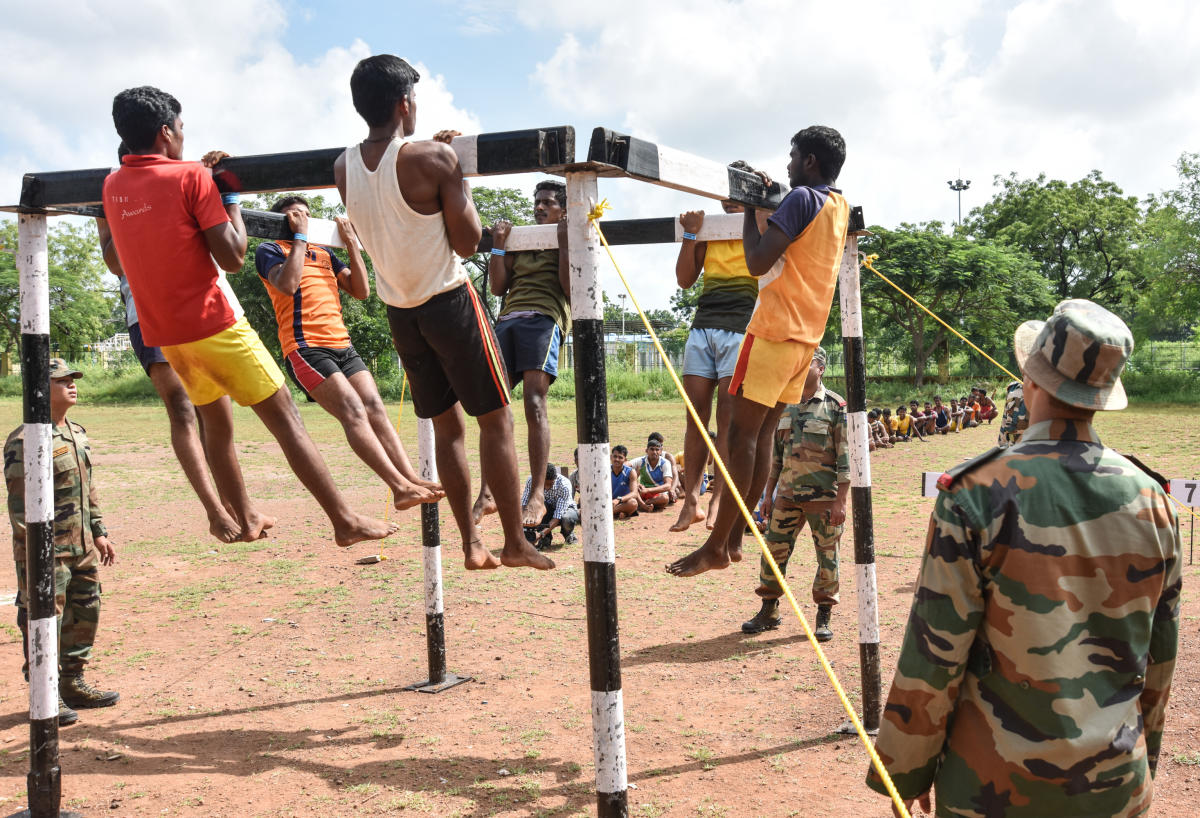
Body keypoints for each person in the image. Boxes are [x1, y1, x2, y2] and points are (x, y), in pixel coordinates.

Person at [867, 299, 1181, 818]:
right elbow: (1158, 661)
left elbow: (935, 649)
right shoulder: (1154, 501)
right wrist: (1141, 759)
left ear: (1029, 381)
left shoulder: (975, 492)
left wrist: (908, 768)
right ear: (1102, 397)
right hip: (1115, 783)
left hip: (990, 785)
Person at [102, 86, 394, 548]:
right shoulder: (190, 177)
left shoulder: (113, 186)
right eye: (180, 129)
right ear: (165, 132)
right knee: (288, 421)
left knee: (216, 427)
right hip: (214, 324)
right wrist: (230, 191)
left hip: (168, 336)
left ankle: (243, 517)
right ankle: (344, 520)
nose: (183, 136)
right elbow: (234, 256)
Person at [333, 55, 552, 570]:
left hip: (400, 312)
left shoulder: (342, 166)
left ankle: (471, 544)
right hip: (449, 302)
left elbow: (389, 210)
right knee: (496, 421)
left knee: (448, 429)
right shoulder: (432, 159)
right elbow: (470, 239)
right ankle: (515, 542)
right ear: (404, 103)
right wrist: (457, 173)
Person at [668, 126, 849, 578]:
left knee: (739, 439)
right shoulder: (838, 204)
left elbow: (756, 261)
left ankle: (715, 545)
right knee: (762, 437)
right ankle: (729, 541)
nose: (787, 165)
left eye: (792, 157)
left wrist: (750, 211)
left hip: (771, 330)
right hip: (805, 339)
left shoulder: (802, 198)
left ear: (809, 162)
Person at [253, 195, 442, 510]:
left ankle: (410, 478)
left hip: (342, 343)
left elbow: (361, 290)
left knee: (374, 407)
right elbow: (287, 285)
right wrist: (298, 236)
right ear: (283, 222)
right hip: (305, 347)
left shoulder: (325, 252)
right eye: (294, 216)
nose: (303, 219)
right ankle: (398, 488)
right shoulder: (271, 250)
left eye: (306, 215)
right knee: (354, 411)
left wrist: (352, 243)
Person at [96, 207, 248, 545]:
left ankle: (236, 506)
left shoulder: (183, 187)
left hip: (200, 309)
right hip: (149, 310)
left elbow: (226, 249)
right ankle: (215, 512)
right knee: (182, 408)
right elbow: (114, 261)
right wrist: (130, 211)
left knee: (214, 411)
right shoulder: (114, 194)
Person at [6, 360, 120, 726]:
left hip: (82, 545)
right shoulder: (25, 440)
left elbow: (89, 489)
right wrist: (38, 553)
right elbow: (21, 505)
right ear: (41, 387)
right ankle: (45, 692)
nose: (72, 385)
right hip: (47, 551)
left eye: (73, 379)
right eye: (62, 381)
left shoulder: (75, 432)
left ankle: (72, 682)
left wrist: (99, 532)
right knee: (42, 619)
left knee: (86, 611)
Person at [471, 180, 570, 528]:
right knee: (491, 404)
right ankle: (487, 492)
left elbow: (570, 287)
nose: (539, 207)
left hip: (544, 318)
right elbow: (498, 286)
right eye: (537, 202)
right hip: (508, 320)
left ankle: (538, 495)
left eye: (547, 202)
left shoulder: (566, 235)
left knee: (533, 401)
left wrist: (563, 241)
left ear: (563, 209)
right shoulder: (520, 237)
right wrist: (499, 245)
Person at [668, 196, 763, 533]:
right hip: (703, 328)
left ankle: (718, 496)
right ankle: (690, 499)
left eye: (736, 195)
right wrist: (691, 234)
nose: (728, 201)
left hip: (740, 329)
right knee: (695, 417)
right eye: (725, 196)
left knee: (727, 419)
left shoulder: (758, 223)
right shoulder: (708, 228)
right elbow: (684, 279)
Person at [741, 348, 848, 640]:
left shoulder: (835, 406)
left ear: (821, 368)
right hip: (786, 497)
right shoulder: (785, 405)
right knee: (773, 553)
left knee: (827, 558)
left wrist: (841, 501)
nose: (800, 365)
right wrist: (767, 495)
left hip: (824, 499)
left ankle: (824, 614)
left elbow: (846, 459)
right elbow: (775, 456)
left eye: (808, 361)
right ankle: (769, 610)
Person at [520, 464, 579, 549]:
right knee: (536, 509)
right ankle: (546, 538)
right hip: (546, 509)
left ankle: (568, 534)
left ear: (555, 479)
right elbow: (525, 502)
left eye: (550, 484)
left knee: (567, 518)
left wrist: (540, 534)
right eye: (544, 484)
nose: (547, 487)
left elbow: (558, 515)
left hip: (566, 509)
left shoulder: (564, 485)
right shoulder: (532, 480)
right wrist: (524, 522)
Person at [628, 437, 675, 511]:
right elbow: (625, 465)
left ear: (661, 451)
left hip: (658, 492)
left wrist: (648, 490)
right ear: (646, 451)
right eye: (652, 449)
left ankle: (643, 504)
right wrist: (636, 483)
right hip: (642, 491)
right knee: (633, 488)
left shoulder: (665, 463)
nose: (654, 452)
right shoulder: (641, 461)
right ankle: (647, 505)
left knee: (665, 498)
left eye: (657, 450)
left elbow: (668, 485)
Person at [609, 445, 639, 518]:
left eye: (620, 457)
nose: (617, 459)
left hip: (623, 502)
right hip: (608, 502)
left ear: (625, 460)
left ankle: (609, 513)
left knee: (633, 503)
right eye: (615, 456)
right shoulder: (604, 470)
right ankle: (621, 513)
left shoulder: (630, 472)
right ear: (610, 457)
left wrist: (619, 500)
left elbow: (634, 493)